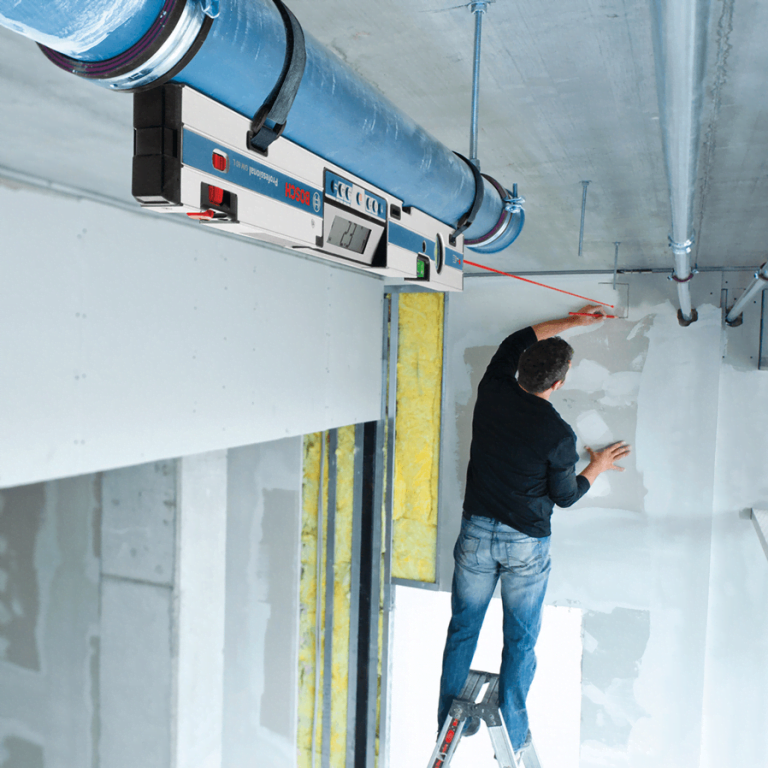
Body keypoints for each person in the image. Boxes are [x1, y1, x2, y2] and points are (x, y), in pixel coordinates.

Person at [436, 305, 631, 756]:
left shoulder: (492, 386)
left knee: (463, 628)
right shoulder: (557, 434)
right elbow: (565, 496)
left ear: (521, 368)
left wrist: (573, 321)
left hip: (476, 534)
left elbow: (517, 338)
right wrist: (598, 465)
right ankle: (513, 726)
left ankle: (446, 719)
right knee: (520, 639)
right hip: (523, 545)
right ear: (558, 385)